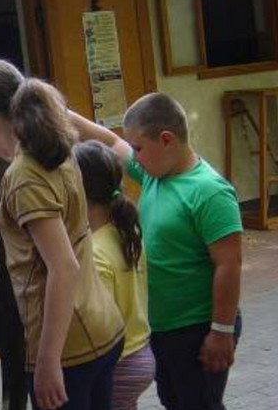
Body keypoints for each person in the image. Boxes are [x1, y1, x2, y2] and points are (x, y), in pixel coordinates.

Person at [0, 58, 125, 410]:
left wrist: (47, 362)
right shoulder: (58, 146)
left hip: (68, 350)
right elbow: (7, 144)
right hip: (103, 325)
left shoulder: (23, 178)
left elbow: (63, 267)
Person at [74, 93, 243, 410]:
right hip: (164, 330)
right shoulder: (154, 174)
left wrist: (222, 331)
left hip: (197, 329)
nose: (133, 158)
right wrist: (60, 113)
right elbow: (110, 142)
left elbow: (229, 264)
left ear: (166, 140)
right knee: (173, 401)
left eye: (138, 148)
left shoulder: (209, 191)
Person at [74, 140, 155, 410]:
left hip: (121, 362)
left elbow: (101, 324)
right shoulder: (127, 232)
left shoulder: (95, 252)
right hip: (141, 352)